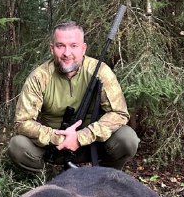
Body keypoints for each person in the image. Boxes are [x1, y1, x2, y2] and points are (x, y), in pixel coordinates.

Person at [8, 21, 140, 174]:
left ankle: (106, 177)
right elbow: (22, 122)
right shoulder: (39, 77)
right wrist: (58, 138)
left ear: (83, 48)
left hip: (92, 145)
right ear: (52, 49)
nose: (66, 53)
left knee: (127, 138)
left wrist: (80, 137)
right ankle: (42, 181)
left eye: (73, 46)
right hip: (53, 147)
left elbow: (119, 113)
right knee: (17, 146)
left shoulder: (100, 71)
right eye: (60, 46)